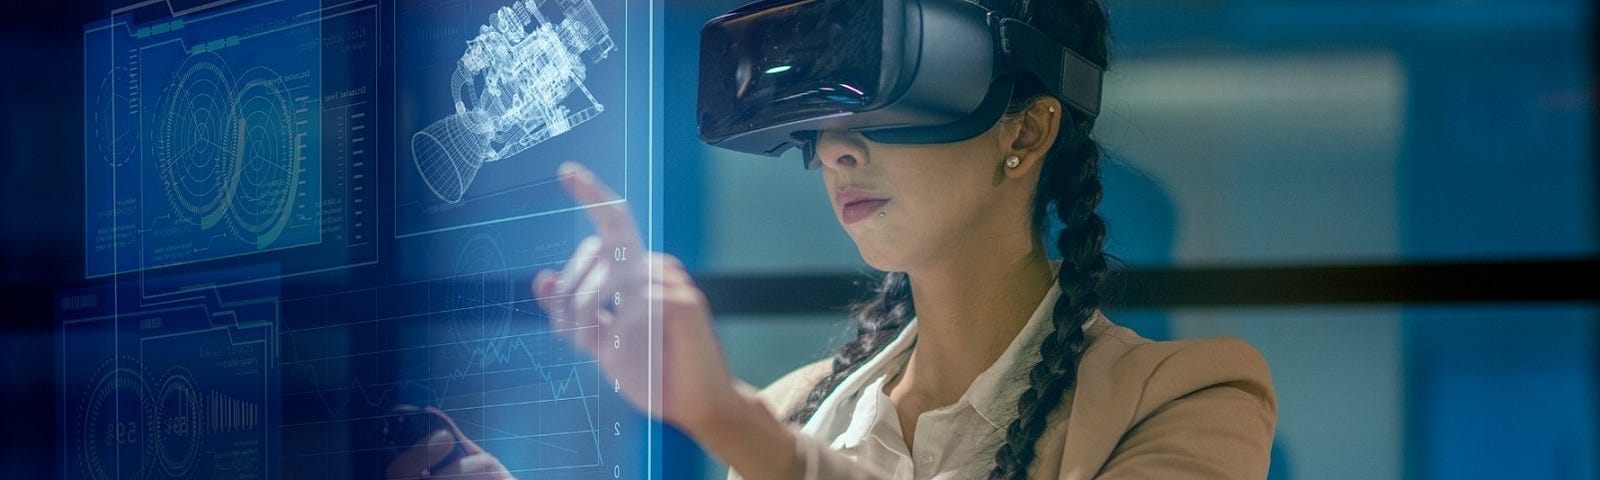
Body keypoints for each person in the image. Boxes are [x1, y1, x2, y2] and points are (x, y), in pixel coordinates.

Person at [391, 0, 1276, 478]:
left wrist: (733, 427)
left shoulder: (1189, 399)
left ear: (1026, 131)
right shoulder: (796, 410)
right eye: (820, 118)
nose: (835, 151)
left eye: (887, 99)